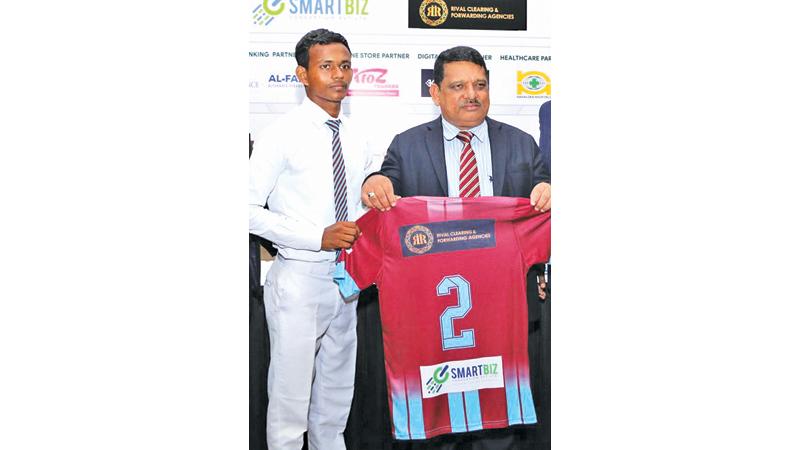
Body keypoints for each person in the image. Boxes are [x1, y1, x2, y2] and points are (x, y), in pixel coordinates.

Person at [356, 46, 551, 449]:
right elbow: (387, 189)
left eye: (480, 85)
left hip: (504, 310)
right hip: (435, 318)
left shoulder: (521, 143)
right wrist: (376, 181)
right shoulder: (407, 146)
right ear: (435, 92)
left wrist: (549, 190)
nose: (471, 95)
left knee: (501, 427)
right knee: (438, 428)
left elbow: (543, 205)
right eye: (458, 86)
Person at [249, 28, 377, 450]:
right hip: (300, 279)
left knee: (336, 399)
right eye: (326, 66)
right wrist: (315, 237)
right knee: (290, 402)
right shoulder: (279, 134)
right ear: (302, 74)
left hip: (348, 280)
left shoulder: (358, 134)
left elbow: (360, 202)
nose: (338, 75)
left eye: (344, 66)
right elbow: (245, 209)